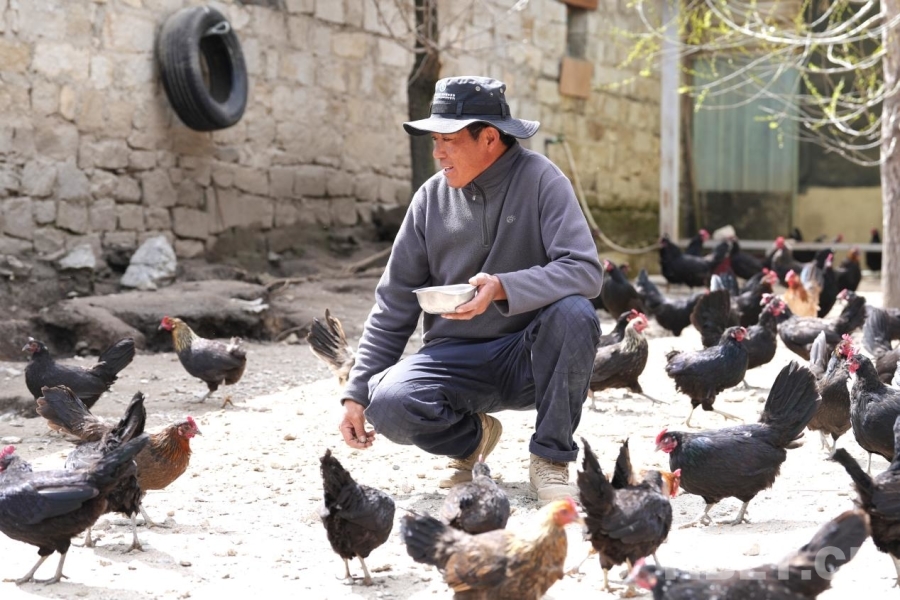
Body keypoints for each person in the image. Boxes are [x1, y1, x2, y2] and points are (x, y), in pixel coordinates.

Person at [337, 75, 603, 503]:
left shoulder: (543, 180)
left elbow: (585, 271)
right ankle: (472, 439)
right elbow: (393, 304)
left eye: (449, 140)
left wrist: (502, 287)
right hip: (454, 359)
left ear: (490, 138)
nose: (437, 152)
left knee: (575, 313)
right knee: (386, 402)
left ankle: (551, 458)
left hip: (530, 357)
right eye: (435, 140)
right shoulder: (429, 198)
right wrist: (355, 393)